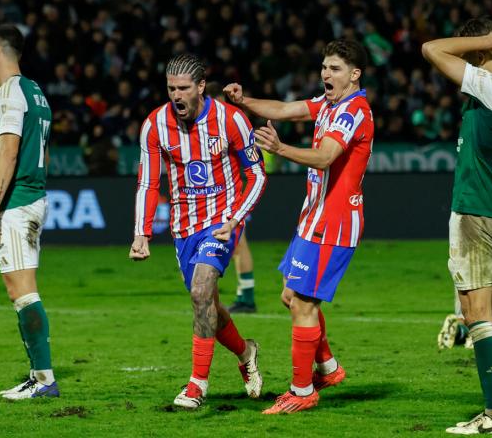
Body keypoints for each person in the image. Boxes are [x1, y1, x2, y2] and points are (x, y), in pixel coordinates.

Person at [224, 38, 373, 414]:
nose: (326, 73)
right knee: (291, 296)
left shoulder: (352, 112)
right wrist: (244, 102)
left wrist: (279, 149)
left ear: (354, 75)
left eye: (335, 68)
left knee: (303, 304)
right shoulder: (329, 104)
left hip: (334, 223)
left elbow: (325, 157)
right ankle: (327, 368)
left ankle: (303, 391)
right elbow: (284, 108)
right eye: (324, 66)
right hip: (314, 218)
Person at [130, 54, 267, 409]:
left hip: (222, 221)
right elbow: (148, 181)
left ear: (201, 87)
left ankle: (197, 385)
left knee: (202, 288)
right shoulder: (155, 125)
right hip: (183, 227)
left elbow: (257, 174)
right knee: (206, 302)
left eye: (184, 88)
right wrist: (142, 233)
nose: (176, 95)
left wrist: (236, 217)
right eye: (171, 88)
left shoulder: (232, 120)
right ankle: (246, 351)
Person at [422, 18, 492, 434]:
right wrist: (489, 49)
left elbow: (432, 48)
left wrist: (486, 43)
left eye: (468, 55)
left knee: (476, 314)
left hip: (477, 210)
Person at [0, 24, 58, 400]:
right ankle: (38, 376)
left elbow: (9, 150)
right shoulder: (37, 92)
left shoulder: (8, 92)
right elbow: (37, 150)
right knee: (21, 290)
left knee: (22, 291)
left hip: (17, 201)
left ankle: (44, 380)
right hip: (34, 195)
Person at [206, 81, 258, 313]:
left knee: (238, 245)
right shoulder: (222, 124)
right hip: (230, 193)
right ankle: (245, 294)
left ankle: (247, 297)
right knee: (239, 245)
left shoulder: (228, 125)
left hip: (233, 194)